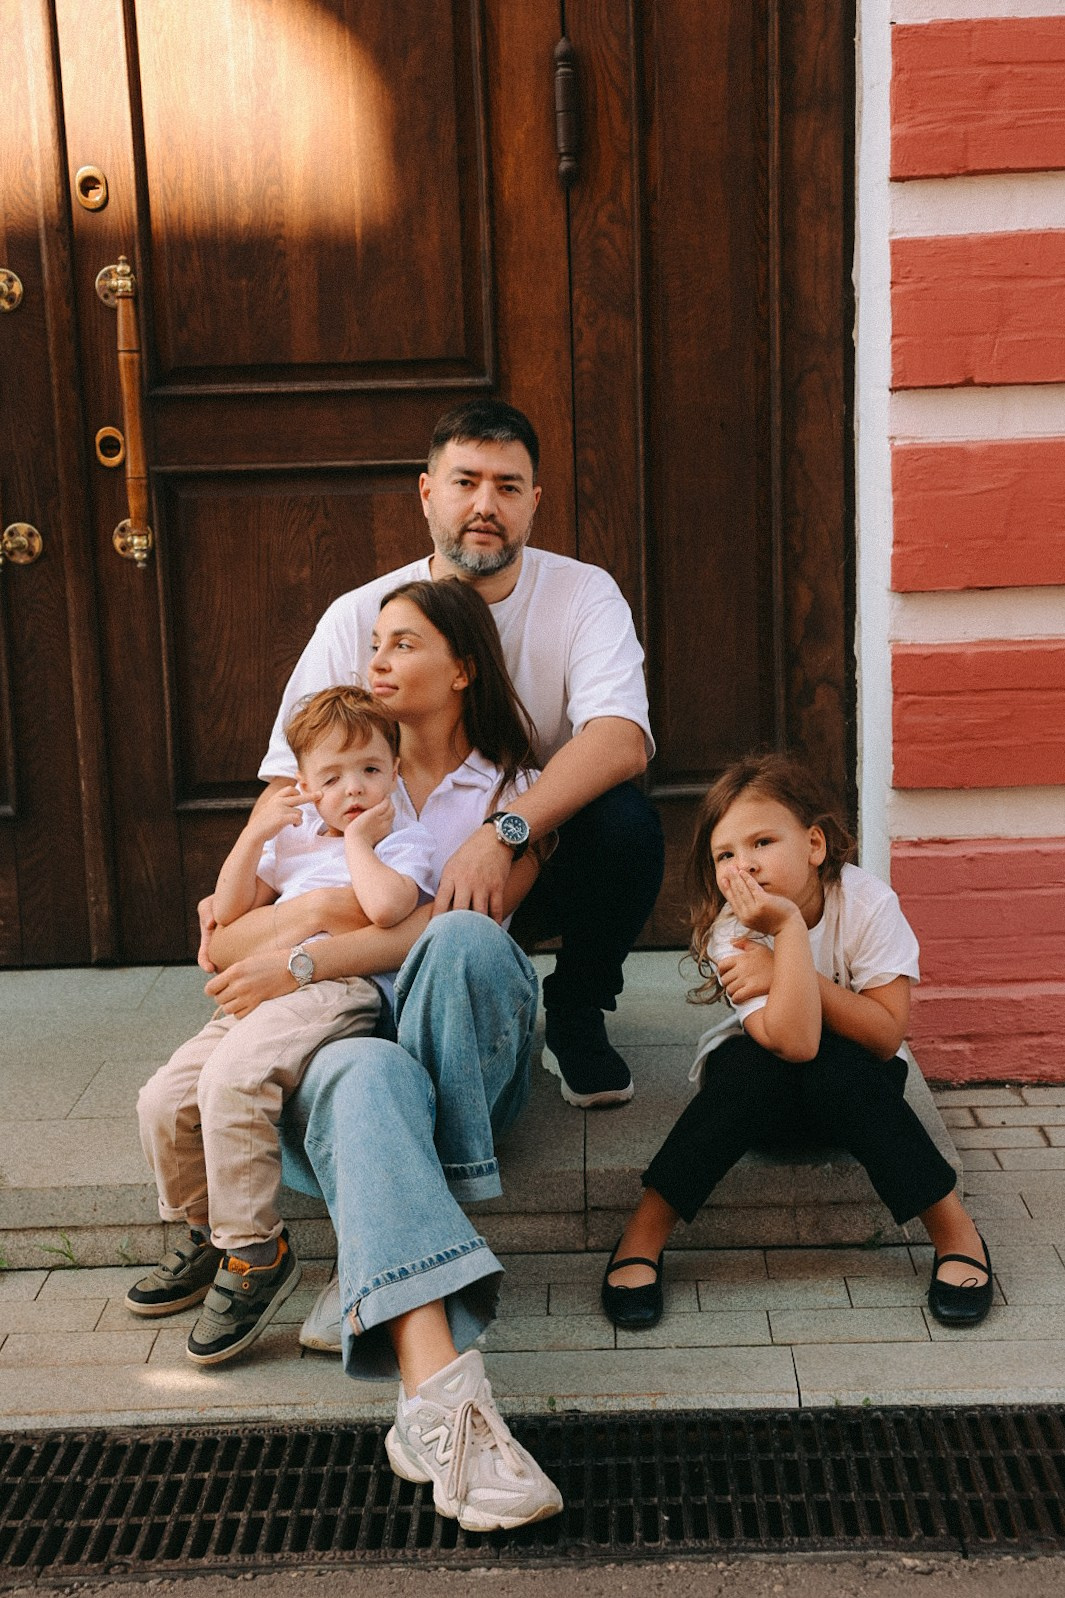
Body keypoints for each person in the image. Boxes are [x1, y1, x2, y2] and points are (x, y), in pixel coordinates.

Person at [200, 578, 564, 1532]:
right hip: (348, 1039)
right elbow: (218, 943)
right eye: (374, 645)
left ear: (461, 668)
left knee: (466, 940)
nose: (378, 662)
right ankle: (444, 1409)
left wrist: (312, 943)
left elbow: (456, 925)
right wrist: (305, 925)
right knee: (365, 1075)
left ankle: (379, 1247)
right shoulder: (328, 773)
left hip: (464, 1047)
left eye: (403, 644)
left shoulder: (512, 789)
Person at [201, 399, 663, 1109]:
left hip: (523, 845)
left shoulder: (579, 593)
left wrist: (505, 830)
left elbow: (620, 738)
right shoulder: (360, 615)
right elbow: (295, 778)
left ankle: (573, 1011)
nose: (485, 505)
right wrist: (246, 902)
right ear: (426, 493)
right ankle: (359, 1017)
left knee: (625, 821)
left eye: (507, 487)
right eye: (464, 482)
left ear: (533, 501)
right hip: (383, 864)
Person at [600, 754, 993, 1334]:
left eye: (762, 842)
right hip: (763, 1104)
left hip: (855, 1097)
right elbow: (792, 1042)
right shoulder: (731, 931)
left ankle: (954, 1230)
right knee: (749, 1068)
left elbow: (886, 1037)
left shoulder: (867, 904)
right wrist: (782, 932)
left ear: (813, 844)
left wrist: (790, 954)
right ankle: (645, 1231)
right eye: (725, 855)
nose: (745, 866)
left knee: (842, 1069)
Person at [127, 686, 438, 1365]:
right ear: (304, 786)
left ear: (394, 770)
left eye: (369, 770)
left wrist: (359, 842)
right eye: (331, 777)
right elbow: (229, 916)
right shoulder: (291, 843)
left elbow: (386, 911)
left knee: (235, 1083)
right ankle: (203, 1230)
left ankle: (254, 1253)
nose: (352, 788)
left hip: (334, 986)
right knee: (162, 1099)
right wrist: (254, 834)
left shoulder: (404, 841)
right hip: (255, 996)